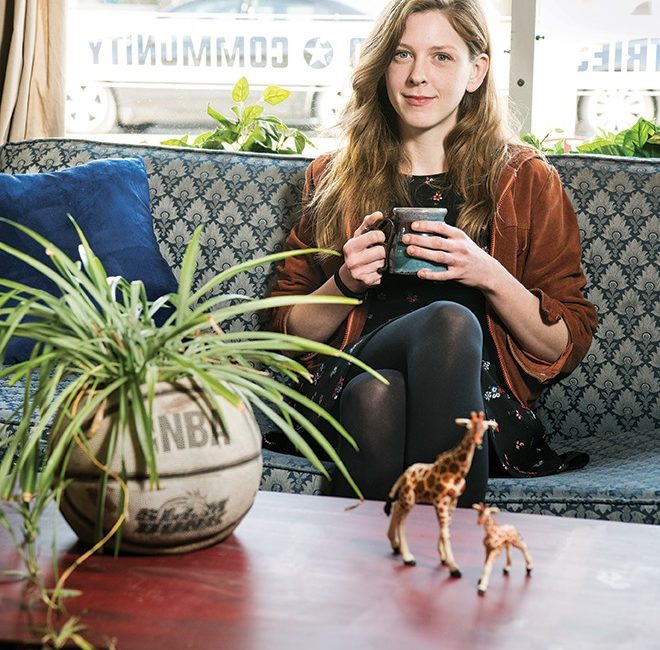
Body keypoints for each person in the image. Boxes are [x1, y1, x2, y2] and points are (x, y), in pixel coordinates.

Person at [268, 0, 598, 505]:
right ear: (382, 67)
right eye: (402, 55)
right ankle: (453, 563)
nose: (418, 75)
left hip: (476, 401)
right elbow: (283, 334)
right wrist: (345, 284)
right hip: (349, 370)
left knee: (379, 397)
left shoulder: (524, 179)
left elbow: (562, 345)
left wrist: (487, 273)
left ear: (476, 71)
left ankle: (366, 579)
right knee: (443, 324)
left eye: (441, 57)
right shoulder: (331, 178)